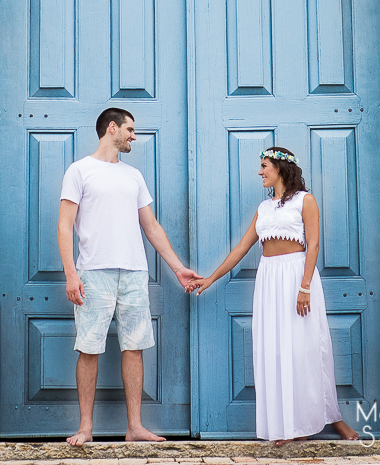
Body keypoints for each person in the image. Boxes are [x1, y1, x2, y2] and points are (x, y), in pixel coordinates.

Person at [189, 147, 358, 445]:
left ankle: (331, 418)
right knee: (276, 350)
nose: (260, 172)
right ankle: (288, 425)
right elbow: (241, 248)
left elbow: (314, 245)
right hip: (269, 280)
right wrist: (211, 278)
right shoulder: (264, 208)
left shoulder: (305, 200)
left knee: (307, 348)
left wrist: (304, 286)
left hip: (297, 278)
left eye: (264, 166)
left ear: (280, 168)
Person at [58, 108, 202, 445]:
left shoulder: (133, 175)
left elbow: (150, 227)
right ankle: (85, 427)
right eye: (130, 130)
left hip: (135, 272)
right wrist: (70, 274)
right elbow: (65, 226)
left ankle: (135, 427)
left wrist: (178, 268)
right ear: (113, 128)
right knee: (89, 348)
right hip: (93, 273)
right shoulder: (80, 171)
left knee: (134, 347)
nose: (134, 137)